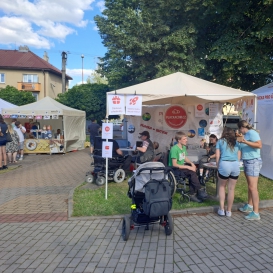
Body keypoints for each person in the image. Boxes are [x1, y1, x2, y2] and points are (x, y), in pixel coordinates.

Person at [168, 131, 207, 203]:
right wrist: (188, 167)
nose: (187, 140)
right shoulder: (174, 149)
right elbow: (174, 164)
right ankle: (199, 190)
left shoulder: (183, 147)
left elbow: (185, 158)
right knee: (191, 172)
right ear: (179, 140)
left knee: (194, 171)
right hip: (175, 169)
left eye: (186, 139)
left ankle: (193, 194)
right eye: (184, 139)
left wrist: (192, 164)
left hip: (181, 166)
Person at [237, 120, 262, 220]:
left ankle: (256, 213)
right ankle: (250, 205)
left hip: (253, 161)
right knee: (250, 186)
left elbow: (259, 145)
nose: (240, 131)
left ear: (242, 128)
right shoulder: (246, 134)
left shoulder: (252, 133)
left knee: (253, 188)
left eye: (240, 129)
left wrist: (245, 141)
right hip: (247, 161)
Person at [216, 127, 241, 217]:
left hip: (224, 164)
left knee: (222, 186)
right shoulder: (237, 142)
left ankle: (222, 209)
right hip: (235, 165)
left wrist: (218, 167)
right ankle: (229, 211)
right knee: (231, 189)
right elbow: (239, 156)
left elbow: (218, 156)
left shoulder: (220, 141)